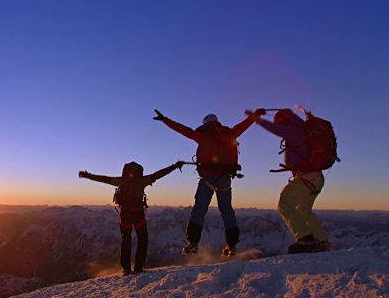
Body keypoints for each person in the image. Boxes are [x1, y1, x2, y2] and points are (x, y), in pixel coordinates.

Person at [153, 109, 263, 256]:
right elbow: (244, 125)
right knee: (227, 211)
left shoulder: (202, 136)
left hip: (208, 178)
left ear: (205, 124)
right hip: (225, 178)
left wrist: (165, 120)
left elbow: (184, 130)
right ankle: (232, 246)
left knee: (200, 209)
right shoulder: (230, 133)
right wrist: (256, 115)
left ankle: (193, 243)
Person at [245, 108, 331, 253]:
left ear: (284, 121)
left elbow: (277, 130)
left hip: (307, 177)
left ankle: (306, 240)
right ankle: (322, 242)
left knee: (284, 204)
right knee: (304, 210)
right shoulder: (303, 129)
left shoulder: (295, 130)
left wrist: (257, 120)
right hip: (315, 178)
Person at [79, 161, 184, 275]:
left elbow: (103, 179)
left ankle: (126, 268)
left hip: (125, 215)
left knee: (126, 240)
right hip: (138, 214)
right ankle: (138, 266)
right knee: (142, 240)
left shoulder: (121, 181)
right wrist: (174, 166)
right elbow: (159, 174)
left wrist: (87, 175)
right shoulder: (142, 181)